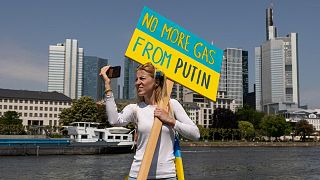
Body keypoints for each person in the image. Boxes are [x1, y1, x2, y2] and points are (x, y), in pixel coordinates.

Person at [100, 62, 200, 180]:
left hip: (166, 175)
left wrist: (170, 120)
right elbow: (114, 120)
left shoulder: (172, 105)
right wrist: (107, 85)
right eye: (136, 79)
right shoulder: (135, 108)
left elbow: (195, 134)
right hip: (138, 174)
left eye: (142, 78)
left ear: (156, 82)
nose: (138, 83)